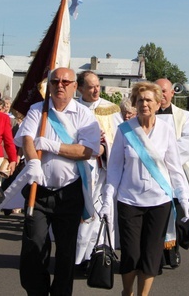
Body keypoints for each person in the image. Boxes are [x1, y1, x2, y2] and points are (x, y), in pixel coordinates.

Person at [14, 67, 101, 296]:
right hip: (38, 191)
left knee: (65, 252)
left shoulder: (84, 115)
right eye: (55, 81)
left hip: (68, 193)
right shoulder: (37, 110)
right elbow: (27, 139)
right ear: (49, 85)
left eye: (65, 81)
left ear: (75, 86)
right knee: (33, 248)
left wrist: (52, 146)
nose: (59, 85)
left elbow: (86, 150)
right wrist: (33, 161)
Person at [100, 82, 189, 296]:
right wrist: (107, 200)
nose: (144, 104)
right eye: (140, 100)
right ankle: (127, 291)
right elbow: (114, 169)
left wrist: (184, 198)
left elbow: (175, 168)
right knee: (131, 254)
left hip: (159, 202)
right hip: (129, 201)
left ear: (158, 104)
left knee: (151, 255)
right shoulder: (125, 131)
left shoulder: (166, 131)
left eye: (149, 100)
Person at [74, 70, 123, 268]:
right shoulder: (73, 107)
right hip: (78, 168)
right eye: (91, 87)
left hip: (103, 168)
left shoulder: (110, 109)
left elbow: (119, 140)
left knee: (103, 209)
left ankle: (101, 253)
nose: (96, 90)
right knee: (82, 212)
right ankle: (79, 256)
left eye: (98, 86)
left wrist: (104, 147)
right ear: (80, 88)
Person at [154, 79, 189, 265]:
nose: (162, 94)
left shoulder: (182, 116)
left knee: (178, 216)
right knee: (158, 214)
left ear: (172, 93)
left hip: (178, 170)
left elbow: (188, 141)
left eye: (164, 91)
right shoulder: (146, 113)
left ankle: (173, 248)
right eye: (158, 91)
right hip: (153, 170)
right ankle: (157, 254)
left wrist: (165, 157)